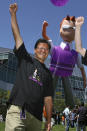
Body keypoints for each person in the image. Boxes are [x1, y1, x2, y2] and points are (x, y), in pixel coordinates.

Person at [5, 3, 53, 131]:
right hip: (18, 109)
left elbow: (48, 99)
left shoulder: (48, 74)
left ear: (48, 53)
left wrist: (48, 121)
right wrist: (13, 15)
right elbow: (17, 36)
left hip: (36, 118)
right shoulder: (25, 59)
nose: (43, 50)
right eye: (40, 48)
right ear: (35, 50)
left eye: (46, 49)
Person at [42, 16, 87, 108]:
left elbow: (81, 67)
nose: (69, 31)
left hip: (66, 73)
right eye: (66, 28)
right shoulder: (54, 48)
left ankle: (71, 107)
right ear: (61, 29)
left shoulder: (75, 54)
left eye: (73, 29)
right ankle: (46, 106)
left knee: (68, 90)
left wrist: (85, 79)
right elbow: (45, 36)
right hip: (54, 71)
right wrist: (44, 27)